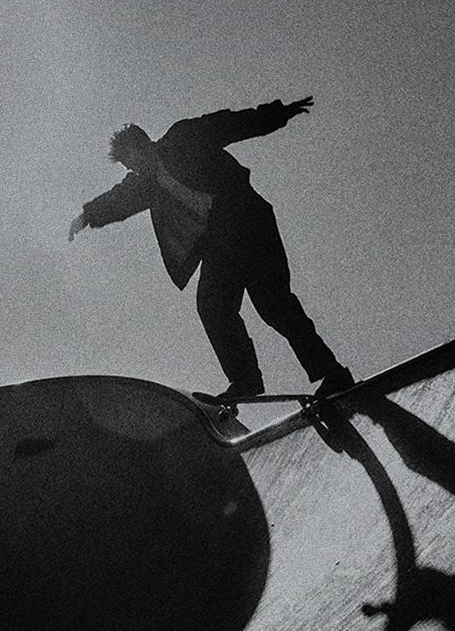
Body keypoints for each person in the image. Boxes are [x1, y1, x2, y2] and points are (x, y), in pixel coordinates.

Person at [68, 96, 353, 408]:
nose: (133, 169)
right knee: (213, 305)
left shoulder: (183, 138)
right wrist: (88, 214)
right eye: (128, 167)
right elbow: (120, 199)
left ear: (143, 144)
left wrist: (277, 113)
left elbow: (229, 125)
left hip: (248, 223)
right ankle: (246, 378)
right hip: (219, 244)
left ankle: (331, 372)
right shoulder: (145, 184)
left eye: (131, 161)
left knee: (274, 305)